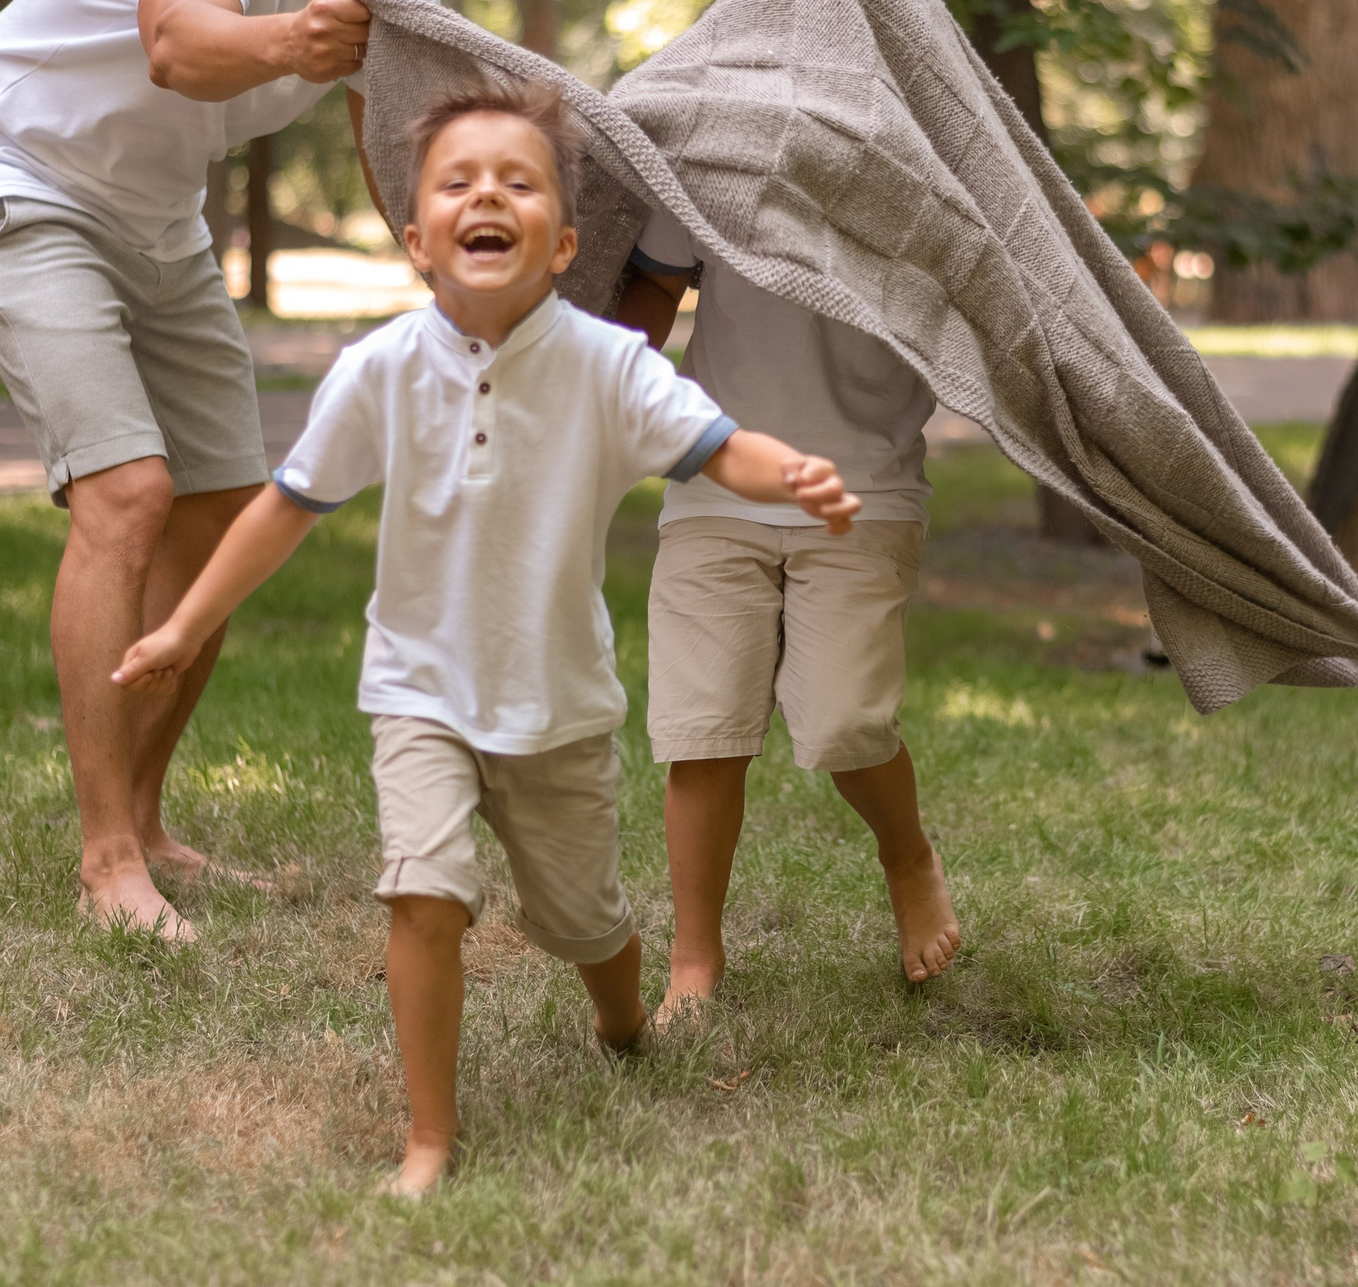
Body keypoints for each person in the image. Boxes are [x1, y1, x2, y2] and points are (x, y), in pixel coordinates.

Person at [114, 87, 861, 1196]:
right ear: (418, 240)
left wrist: (788, 473)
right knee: (423, 892)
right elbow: (283, 504)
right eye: (458, 182)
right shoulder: (380, 370)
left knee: (584, 921)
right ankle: (428, 1135)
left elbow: (714, 445)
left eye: (518, 182)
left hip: (556, 703)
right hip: (419, 688)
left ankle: (620, 1014)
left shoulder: (609, 365)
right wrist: (183, 619)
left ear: (561, 243)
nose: (487, 196)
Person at [0, 0, 471, 939]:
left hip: (154, 207)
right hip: (14, 168)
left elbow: (400, 143)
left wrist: (450, 288)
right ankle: (107, 860)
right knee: (127, 494)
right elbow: (179, 45)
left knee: (228, 506)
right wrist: (295, 36)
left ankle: (149, 818)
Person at [611, 201, 964, 1023]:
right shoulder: (714, 143)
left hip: (864, 488)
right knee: (702, 730)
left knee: (845, 724)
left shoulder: (916, 158)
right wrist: (604, 376)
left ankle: (908, 856)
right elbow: (657, 283)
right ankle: (695, 956)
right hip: (716, 480)